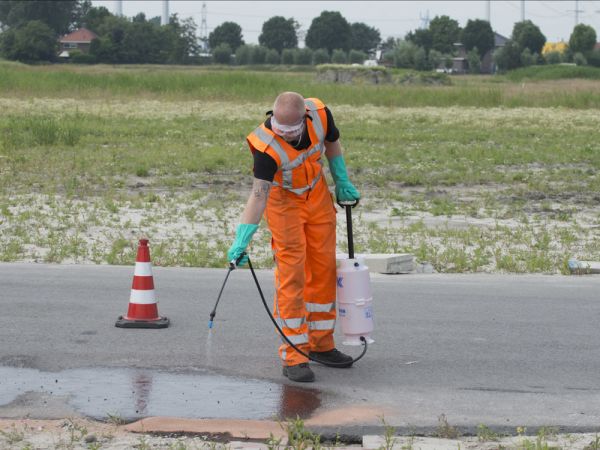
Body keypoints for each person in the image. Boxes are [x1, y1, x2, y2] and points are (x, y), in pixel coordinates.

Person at [227, 92, 360, 383]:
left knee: (323, 270)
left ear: (305, 118)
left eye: (290, 129)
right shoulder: (266, 147)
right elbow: (258, 195)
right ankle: (294, 355)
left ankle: (321, 345)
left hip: (317, 197)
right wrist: (242, 239)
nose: (284, 134)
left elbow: (332, 143)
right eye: (279, 127)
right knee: (292, 277)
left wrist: (342, 179)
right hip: (284, 204)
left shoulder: (320, 114)